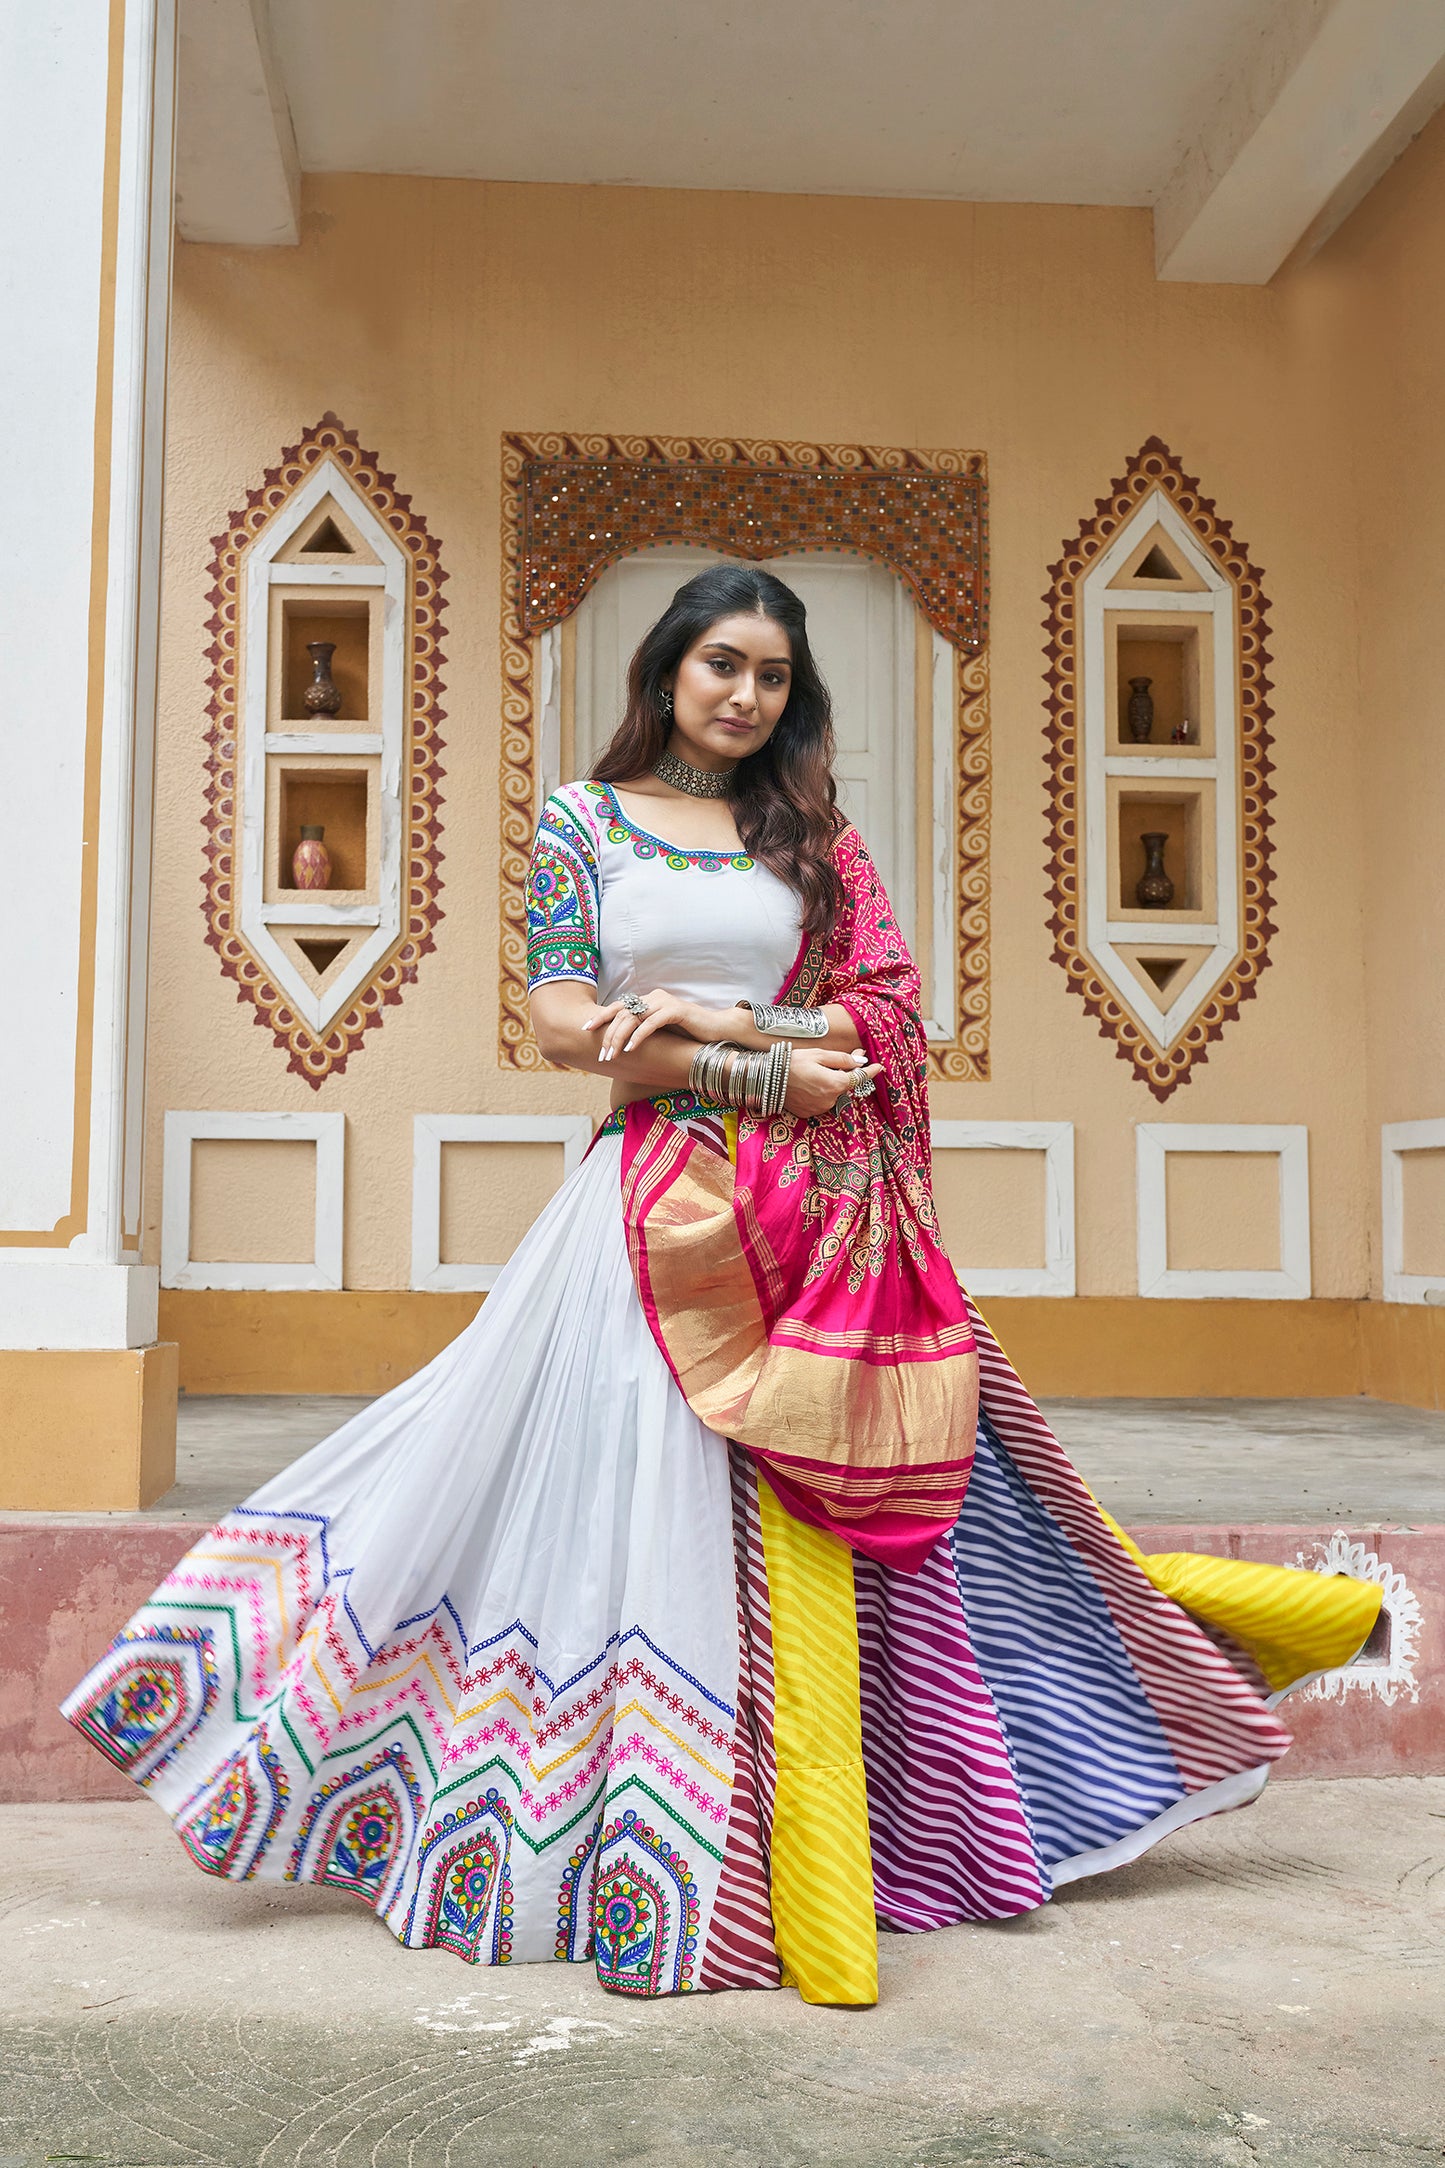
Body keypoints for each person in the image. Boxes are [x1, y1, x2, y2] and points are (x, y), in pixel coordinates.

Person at [63, 563, 1378, 2006]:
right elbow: (569, 1026)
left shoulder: (808, 833)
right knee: (571, 1494)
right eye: (722, 666)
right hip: (651, 1216)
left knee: (957, 1507)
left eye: (770, 676)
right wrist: (747, 1062)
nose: (746, 696)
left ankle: (925, 1801)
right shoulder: (582, 821)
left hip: (823, 1222)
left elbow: (884, 1017)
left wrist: (713, 1008)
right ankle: (562, 1824)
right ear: (668, 667)